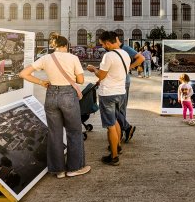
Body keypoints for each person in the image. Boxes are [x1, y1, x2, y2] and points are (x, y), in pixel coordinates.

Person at [19, 34, 90, 179]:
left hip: (51, 95)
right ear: (66, 45)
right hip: (68, 96)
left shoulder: (46, 58)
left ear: (54, 45)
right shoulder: (73, 58)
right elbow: (81, 80)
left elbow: (23, 73)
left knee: (54, 133)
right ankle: (74, 168)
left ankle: (59, 171)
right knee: (74, 132)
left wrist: (41, 82)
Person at [86, 31, 131, 166]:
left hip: (108, 94)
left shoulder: (108, 56)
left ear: (107, 43)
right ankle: (117, 146)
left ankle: (114, 156)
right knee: (116, 120)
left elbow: (101, 76)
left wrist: (94, 69)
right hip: (120, 92)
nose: (102, 46)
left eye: (102, 44)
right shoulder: (125, 54)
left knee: (110, 126)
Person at [116, 34, 144, 142]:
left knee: (120, 109)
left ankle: (124, 130)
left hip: (123, 82)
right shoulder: (114, 50)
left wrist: (129, 68)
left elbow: (141, 58)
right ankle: (123, 130)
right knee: (118, 108)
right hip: (116, 82)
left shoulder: (125, 48)